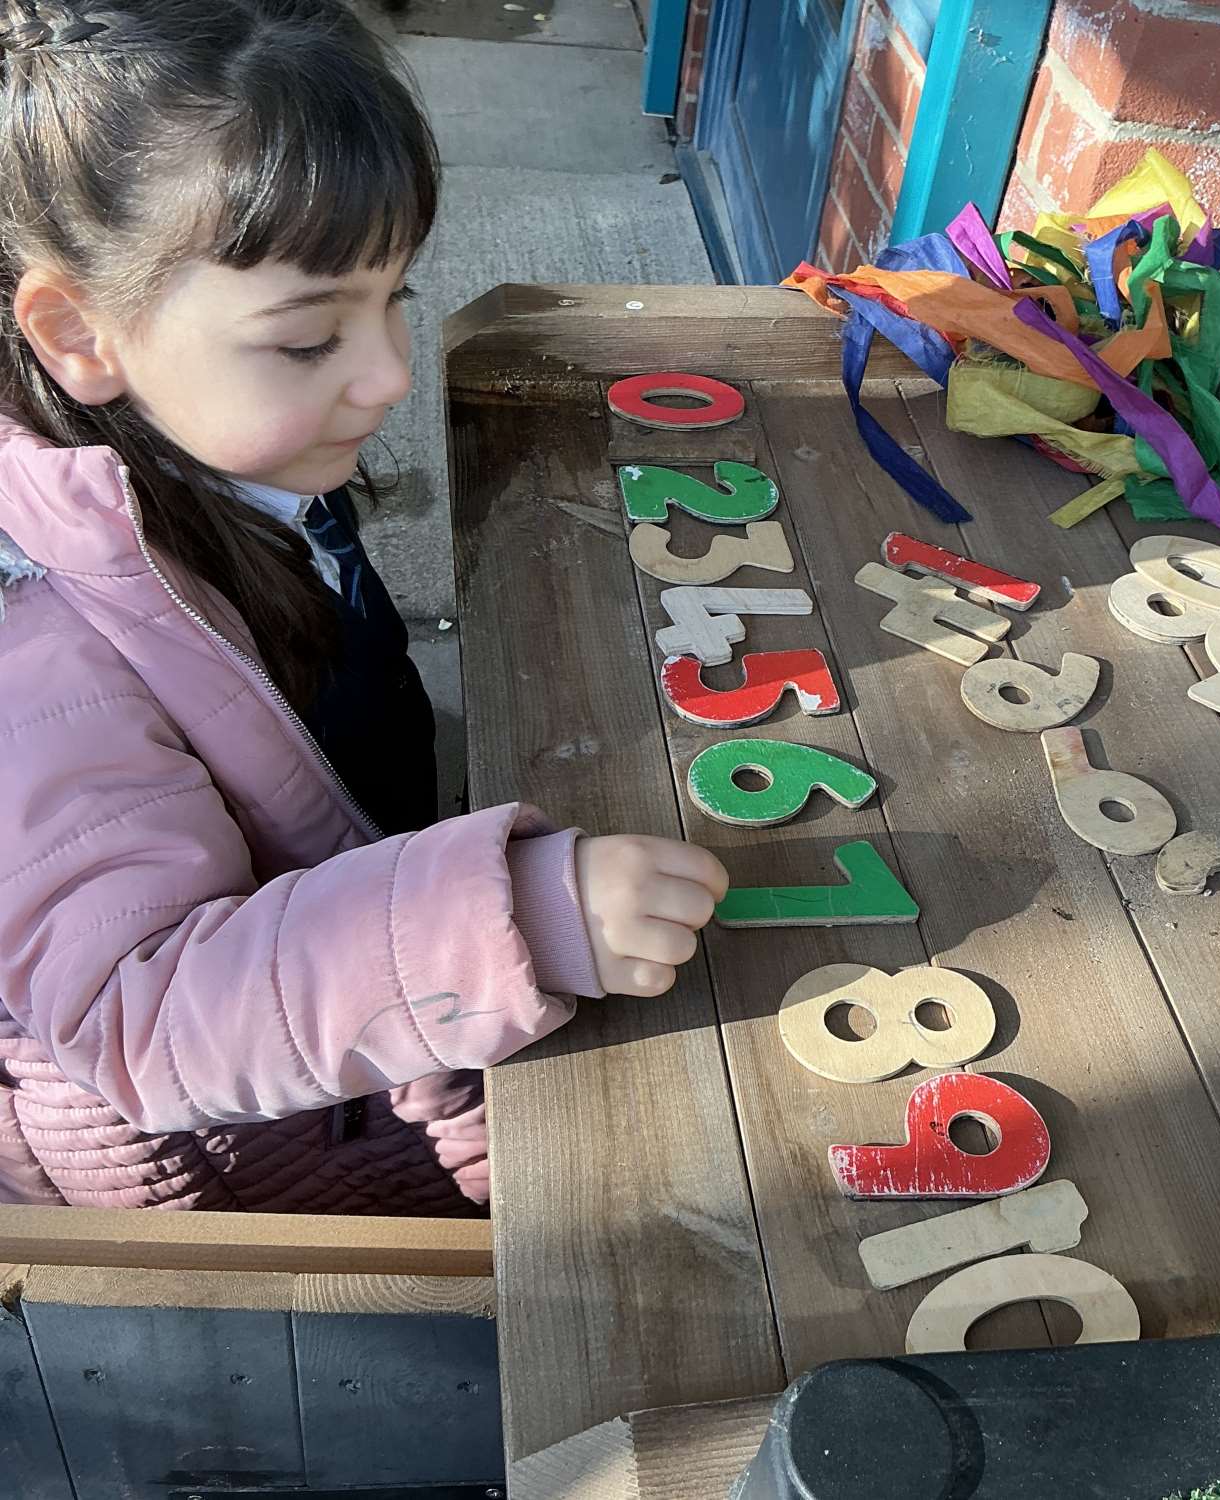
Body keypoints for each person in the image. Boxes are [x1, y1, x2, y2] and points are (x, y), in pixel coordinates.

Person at [0, 0, 728, 1213]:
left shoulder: (220, 444)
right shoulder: (31, 660)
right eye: (308, 338)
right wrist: (512, 916)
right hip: (274, 1147)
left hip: (378, 977)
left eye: (394, 293)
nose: (389, 371)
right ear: (79, 331)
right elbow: (139, 1013)